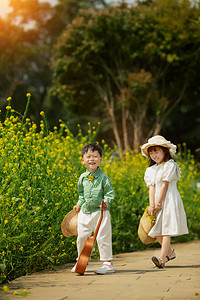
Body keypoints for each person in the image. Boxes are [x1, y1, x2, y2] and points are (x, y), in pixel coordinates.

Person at [141, 135, 188, 268]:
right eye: (151, 152)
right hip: (156, 203)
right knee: (156, 232)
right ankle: (170, 253)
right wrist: (152, 205)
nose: (154, 155)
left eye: (157, 151)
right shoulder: (150, 170)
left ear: (165, 151)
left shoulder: (170, 165)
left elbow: (165, 185)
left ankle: (162, 259)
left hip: (169, 200)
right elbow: (152, 188)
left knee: (166, 230)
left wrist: (159, 203)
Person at [71, 143, 115, 274]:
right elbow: (81, 194)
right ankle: (81, 260)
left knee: (103, 237)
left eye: (95, 156)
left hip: (100, 212)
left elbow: (109, 193)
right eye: (88, 156)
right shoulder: (82, 178)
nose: (92, 159)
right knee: (82, 237)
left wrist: (106, 202)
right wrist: (79, 204)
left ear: (100, 159)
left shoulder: (103, 178)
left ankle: (108, 263)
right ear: (83, 160)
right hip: (85, 212)